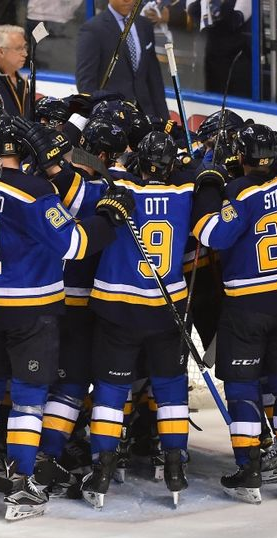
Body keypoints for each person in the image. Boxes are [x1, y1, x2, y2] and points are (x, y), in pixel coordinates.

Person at [0, 115, 134, 520]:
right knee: (27, 402)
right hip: (31, 311)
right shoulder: (34, 190)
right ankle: (22, 484)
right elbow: (73, 244)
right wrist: (108, 217)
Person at [191, 124, 277, 504]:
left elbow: (210, 235)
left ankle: (248, 468)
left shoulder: (240, 193)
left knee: (243, 389)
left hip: (249, 306)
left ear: (241, 159)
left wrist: (207, 186)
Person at [82, 131, 193, 509]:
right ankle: (175, 465)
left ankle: (102, 470)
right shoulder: (185, 194)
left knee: (111, 393)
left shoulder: (115, 190)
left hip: (117, 310)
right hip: (167, 311)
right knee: (172, 391)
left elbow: (100, 172)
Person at [75, 0, 169, 118]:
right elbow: (86, 85)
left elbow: (155, 80)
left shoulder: (145, 25)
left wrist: (165, 120)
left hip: (146, 116)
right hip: (111, 117)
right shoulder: (93, 30)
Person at [186, 1, 252, 99]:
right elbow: (193, 10)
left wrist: (220, 3)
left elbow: (234, 21)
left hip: (236, 63)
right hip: (207, 58)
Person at [0, 25, 32, 118]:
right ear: (1, 52)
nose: (25, 54)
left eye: (25, 47)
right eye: (19, 48)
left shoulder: (22, 81)